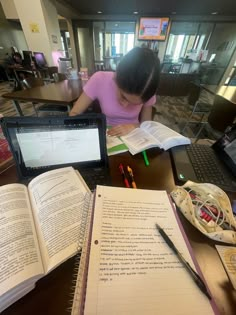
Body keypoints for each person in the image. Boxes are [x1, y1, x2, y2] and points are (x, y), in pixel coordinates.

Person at [69, 47, 160, 136]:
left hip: (134, 137)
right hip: (107, 135)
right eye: (124, 97)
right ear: (116, 78)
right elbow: (74, 114)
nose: (125, 105)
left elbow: (146, 124)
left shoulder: (147, 88)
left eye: (135, 104)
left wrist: (133, 127)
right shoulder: (99, 79)